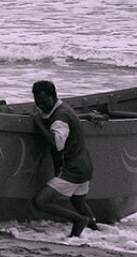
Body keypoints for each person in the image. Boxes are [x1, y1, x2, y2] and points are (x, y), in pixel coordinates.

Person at [31, 79, 97, 237]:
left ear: (53, 96)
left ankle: (79, 220)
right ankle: (96, 229)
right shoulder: (64, 108)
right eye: (38, 102)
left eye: (44, 101)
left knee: (40, 202)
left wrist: (38, 122)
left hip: (72, 169)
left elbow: (57, 145)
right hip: (85, 166)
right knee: (77, 201)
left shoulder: (60, 118)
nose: (41, 106)